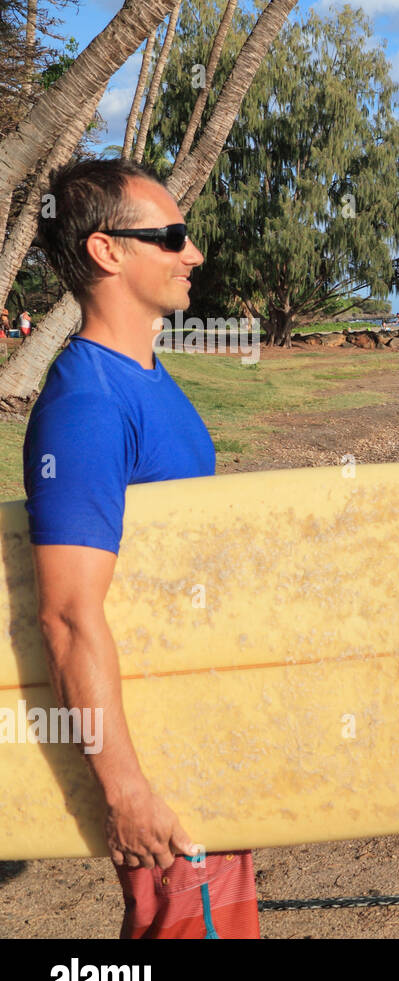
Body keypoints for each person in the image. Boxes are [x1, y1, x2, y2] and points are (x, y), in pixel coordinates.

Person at [25, 157, 258, 939]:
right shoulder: (87, 405)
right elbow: (65, 614)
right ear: (107, 251)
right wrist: (126, 793)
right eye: (172, 236)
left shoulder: (149, 377)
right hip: (161, 764)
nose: (193, 253)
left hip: (204, 733)